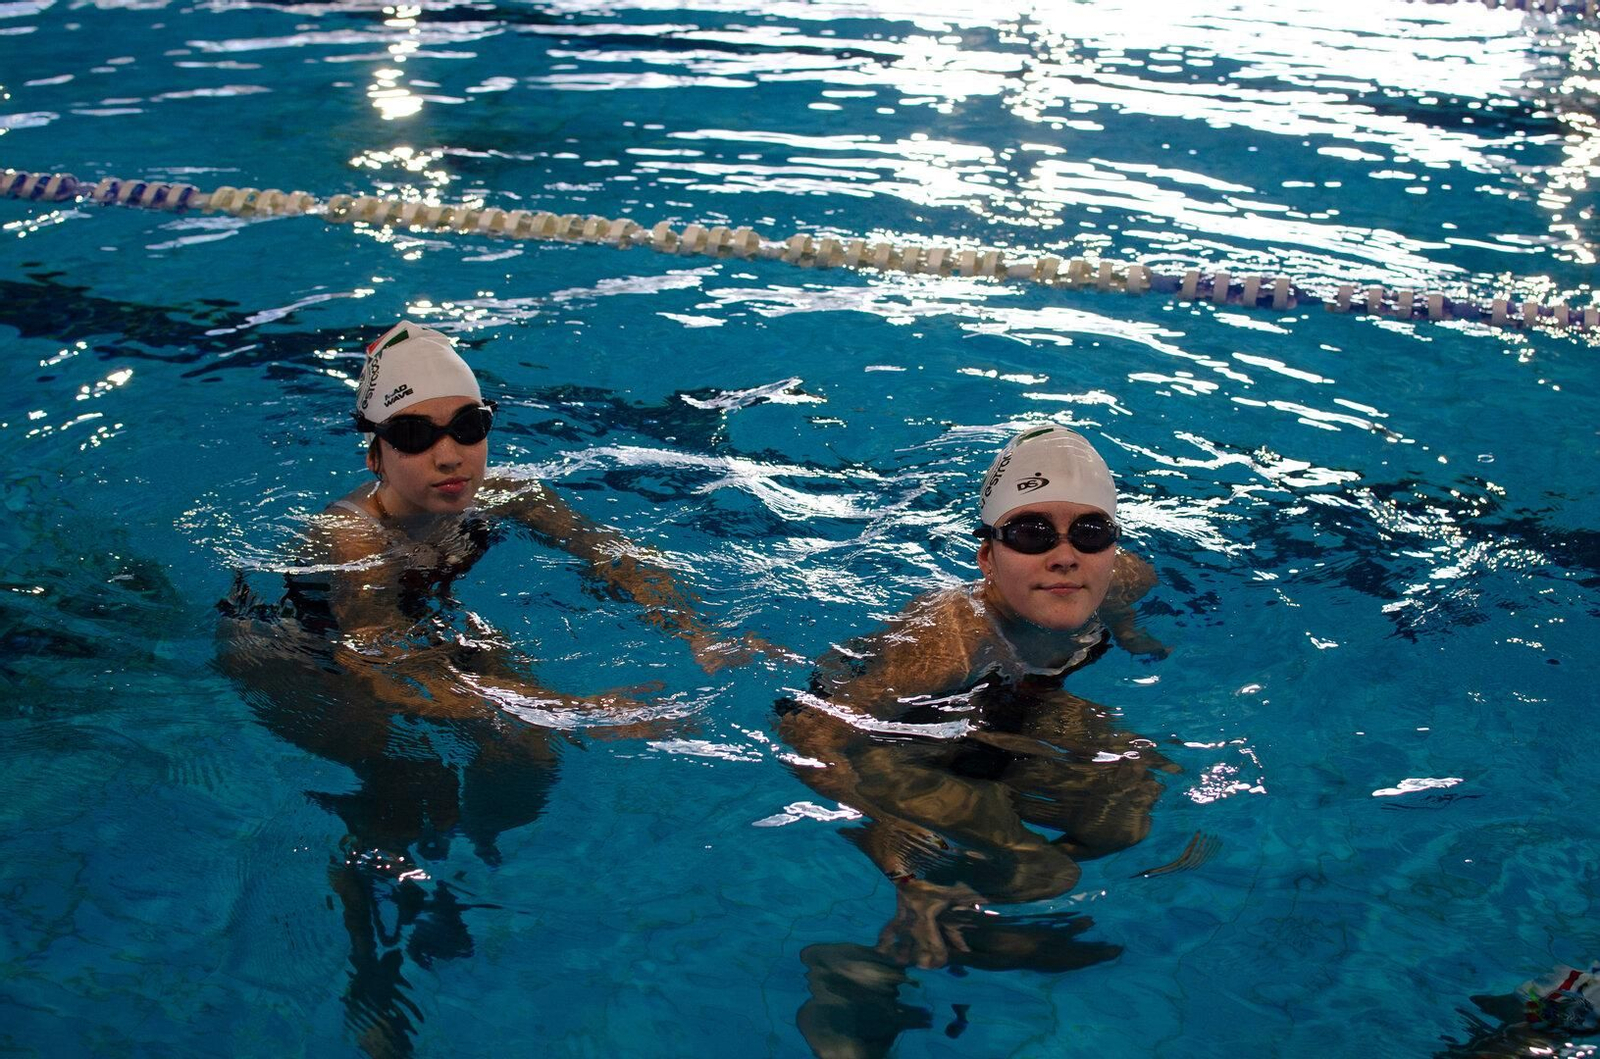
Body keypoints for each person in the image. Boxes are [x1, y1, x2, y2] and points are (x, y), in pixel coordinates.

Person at [217, 320, 776, 1058]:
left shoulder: (499, 494)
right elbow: (381, 665)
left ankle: (464, 858)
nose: (449, 454)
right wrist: (575, 708)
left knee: (528, 752)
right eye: (415, 434)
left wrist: (695, 630)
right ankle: (370, 974)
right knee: (406, 780)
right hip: (299, 655)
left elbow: (608, 553)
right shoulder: (350, 537)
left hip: (409, 627)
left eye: (468, 426)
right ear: (376, 450)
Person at [778, 424, 1178, 1058]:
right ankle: (911, 926)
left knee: (1126, 808)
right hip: (900, 741)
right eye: (1031, 532)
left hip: (1014, 711)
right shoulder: (952, 637)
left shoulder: (1125, 578)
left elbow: (1117, 604)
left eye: (1090, 532)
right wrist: (889, 836)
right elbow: (807, 727)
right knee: (1040, 870)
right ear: (987, 556)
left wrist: (1130, 634)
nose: (1066, 555)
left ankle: (960, 908)